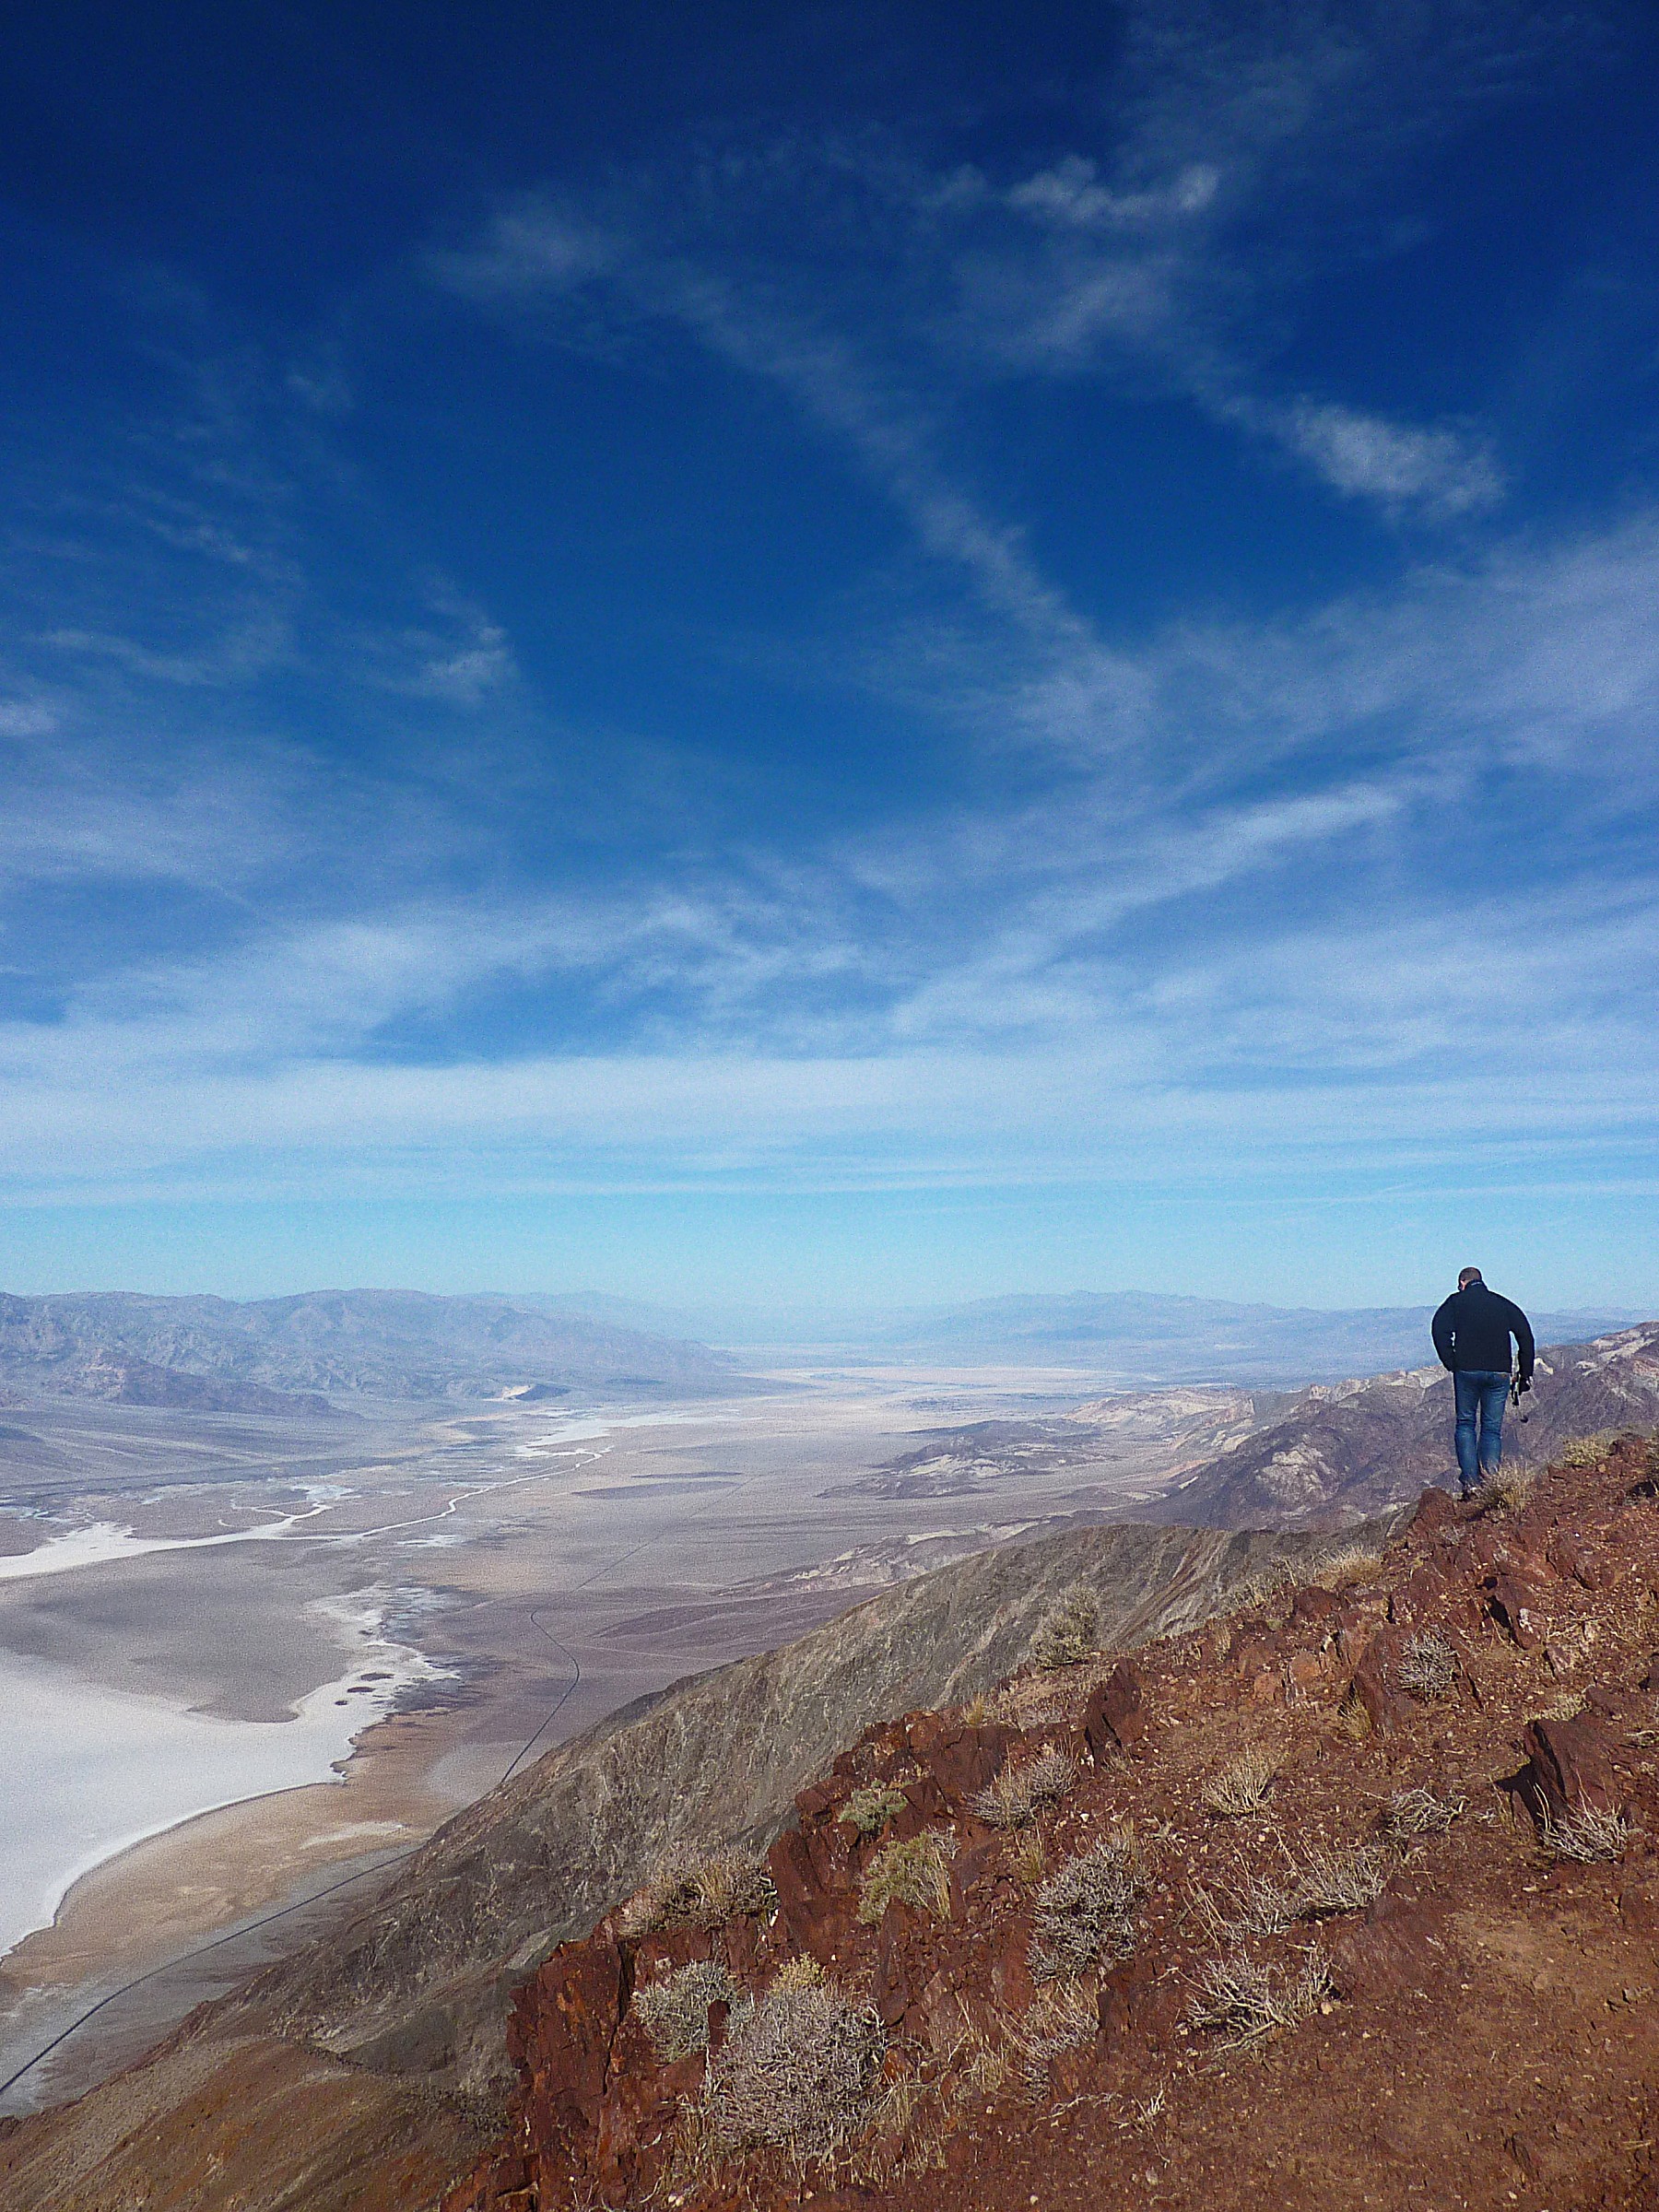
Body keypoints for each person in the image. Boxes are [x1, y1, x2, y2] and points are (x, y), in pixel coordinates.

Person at [1431, 1267, 1535, 1499]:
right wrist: (1525, 1372)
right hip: (1499, 1373)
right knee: (1491, 1429)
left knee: (1466, 1424)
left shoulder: (1455, 1302)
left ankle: (1471, 1484)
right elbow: (1525, 1336)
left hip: (1467, 1371)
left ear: (1462, 1282)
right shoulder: (1502, 1303)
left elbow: (1439, 1329)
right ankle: (1491, 1480)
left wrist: (1452, 1361)